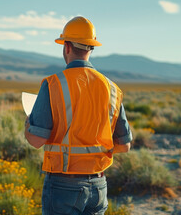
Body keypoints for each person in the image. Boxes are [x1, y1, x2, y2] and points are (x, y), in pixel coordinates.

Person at [24, 16, 132, 215]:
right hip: (99, 185)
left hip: (63, 185)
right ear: (91, 48)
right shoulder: (112, 89)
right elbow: (124, 145)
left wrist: (27, 126)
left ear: (66, 47)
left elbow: (37, 140)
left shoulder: (54, 83)